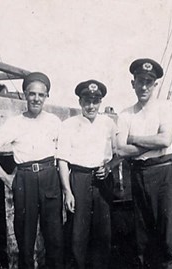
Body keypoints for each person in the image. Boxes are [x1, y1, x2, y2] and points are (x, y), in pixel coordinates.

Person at [0, 72, 63, 269]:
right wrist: (6, 178)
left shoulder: (54, 121)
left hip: (50, 177)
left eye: (41, 95)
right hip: (24, 180)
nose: (36, 99)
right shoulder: (14, 123)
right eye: (32, 94)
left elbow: (64, 153)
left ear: (46, 97)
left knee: (55, 238)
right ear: (25, 94)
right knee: (25, 239)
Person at [116, 58, 172, 268]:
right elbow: (120, 149)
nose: (144, 86)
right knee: (143, 238)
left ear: (155, 85)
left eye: (148, 81)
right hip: (138, 175)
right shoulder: (125, 114)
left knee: (169, 237)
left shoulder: (166, 107)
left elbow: (165, 140)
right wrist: (152, 141)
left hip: (164, 174)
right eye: (140, 81)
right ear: (133, 83)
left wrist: (133, 138)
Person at [57, 79, 118, 269]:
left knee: (103, 232)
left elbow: (119, 153)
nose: (91, 106)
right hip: (79, 179)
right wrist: (67, 191)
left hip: (103, 179)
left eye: (95, 101)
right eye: (87, 101)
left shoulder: (109, 123)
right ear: (80, 102)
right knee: (78, 232)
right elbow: (62, 160)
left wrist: (109, 167)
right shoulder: (68, 125)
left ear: (100, 102)